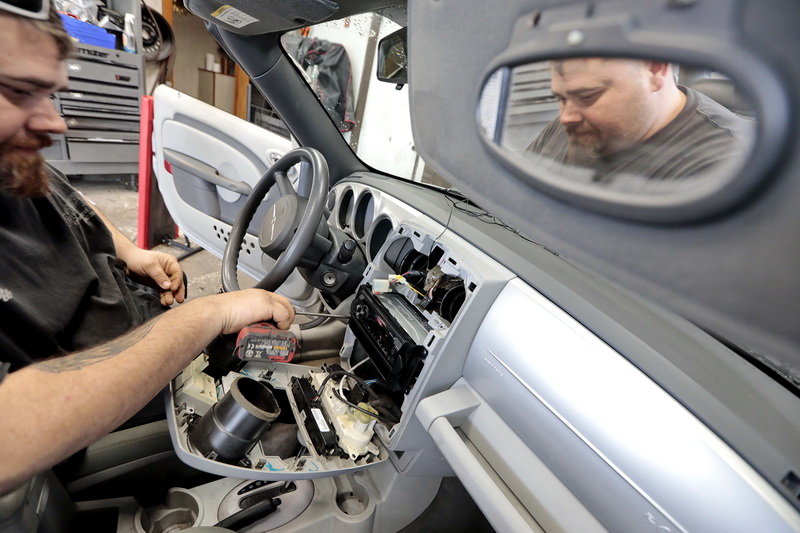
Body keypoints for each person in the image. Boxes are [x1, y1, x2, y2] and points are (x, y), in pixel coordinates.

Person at [0, 3, 296, 494]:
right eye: (19, 91)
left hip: (152, 330)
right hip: (113, 412)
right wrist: (207, 316)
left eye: (51, 94)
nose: (56, 123)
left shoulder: (12, 162)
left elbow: (74, 210)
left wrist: (131, 253)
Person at [525, 58, 752, 184]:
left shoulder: (724, 164)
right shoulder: (575, 122)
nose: (566, 116)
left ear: (654, 71)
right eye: (561, 98)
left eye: (587, 96)